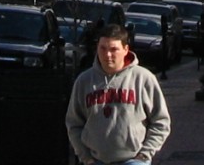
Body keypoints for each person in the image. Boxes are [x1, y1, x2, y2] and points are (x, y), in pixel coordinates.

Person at [66, 23, 171, 165]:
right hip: (96, 160)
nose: (107, 54)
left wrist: (145, 154)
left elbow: (161, 121)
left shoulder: (143, 78)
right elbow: (73, 123)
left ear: (125, 49)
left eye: (114, 49)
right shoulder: (84, 81)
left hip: (133, 160)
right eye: (103, 48)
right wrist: (85, 157)